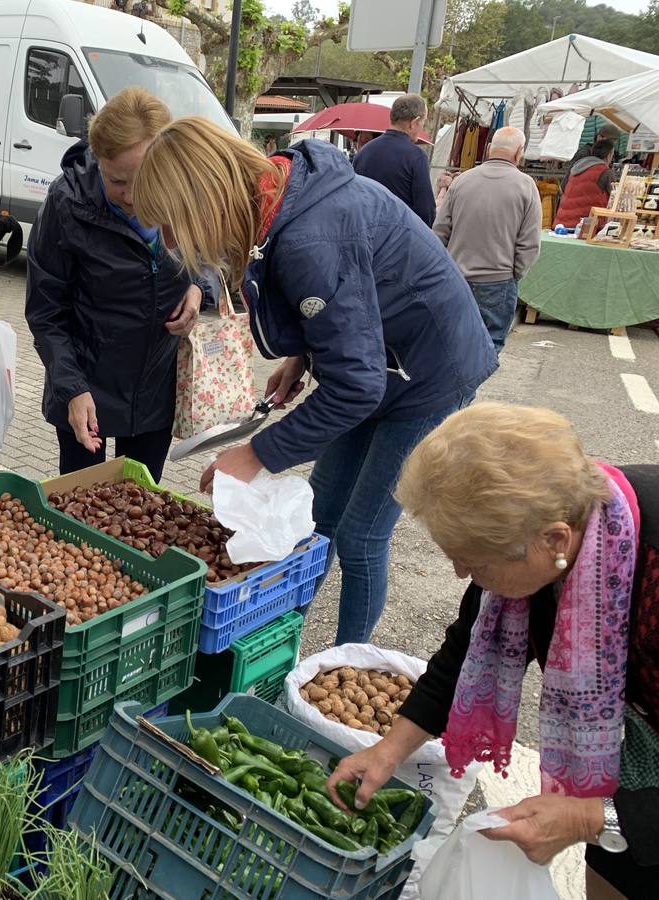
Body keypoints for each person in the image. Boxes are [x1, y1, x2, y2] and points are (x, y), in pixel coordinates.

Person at [132, 118, 497, 645]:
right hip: (380, 362)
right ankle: (281, 641)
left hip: (429, 373)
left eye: (169, 224)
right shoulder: (281, 192)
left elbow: (356, 384)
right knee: (318, 520)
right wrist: (304, 355)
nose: (170, 241)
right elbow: (347, 313)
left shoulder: (311, 236)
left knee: (360, 535)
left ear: (201, 201)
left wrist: (257, 452)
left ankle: (347, 662)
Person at [328, 403, 658, 900]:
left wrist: (592, 814)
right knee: (623, 865)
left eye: (472, 560)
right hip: (630, 746)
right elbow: (465, 649)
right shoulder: (545, 534)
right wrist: (387, 751)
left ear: (554, 541)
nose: (462, 572)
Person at [25, 87, 207, 482]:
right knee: (81, 504)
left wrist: (198, 287)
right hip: (83, 384)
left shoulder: (184, 192)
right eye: (117, 181)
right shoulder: (66, 202)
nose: (132, 196)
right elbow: (45, 312)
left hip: (155, 389)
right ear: (98, 159)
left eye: (144, 180)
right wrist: (72, 388)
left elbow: (209, 254)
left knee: (140, 501)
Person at [434, 127, 542, 353]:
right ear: (518, 153)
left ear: (489, 149)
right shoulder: (526, 186)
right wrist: (514, 273)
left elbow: (440, 232)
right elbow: (530, 243)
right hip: (498, 279)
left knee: (450, 343)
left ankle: (456, 388)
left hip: (457, 276)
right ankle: (469, 387)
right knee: (488, 347)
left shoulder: (462, 181)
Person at [353, 94, 435, 226]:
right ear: (414, 122)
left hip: (364, 232)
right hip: (398, 236)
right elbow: (426, 212)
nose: (422, 129)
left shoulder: (364, 152)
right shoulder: (416, 156)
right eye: (423, 123)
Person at [555, 138, 615, 229]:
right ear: (608, 155)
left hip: (562, 224)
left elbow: (563, 188)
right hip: (585, 227)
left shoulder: (576, 167)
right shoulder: (605, 172)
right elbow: (614, 197)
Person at [561, 122, 620, 193]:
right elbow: (569, 178)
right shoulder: (585, 153)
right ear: (599, 137)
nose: (610, 144)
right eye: (609, 140)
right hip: (577, 197)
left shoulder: (606, 155)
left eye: (613, 142)